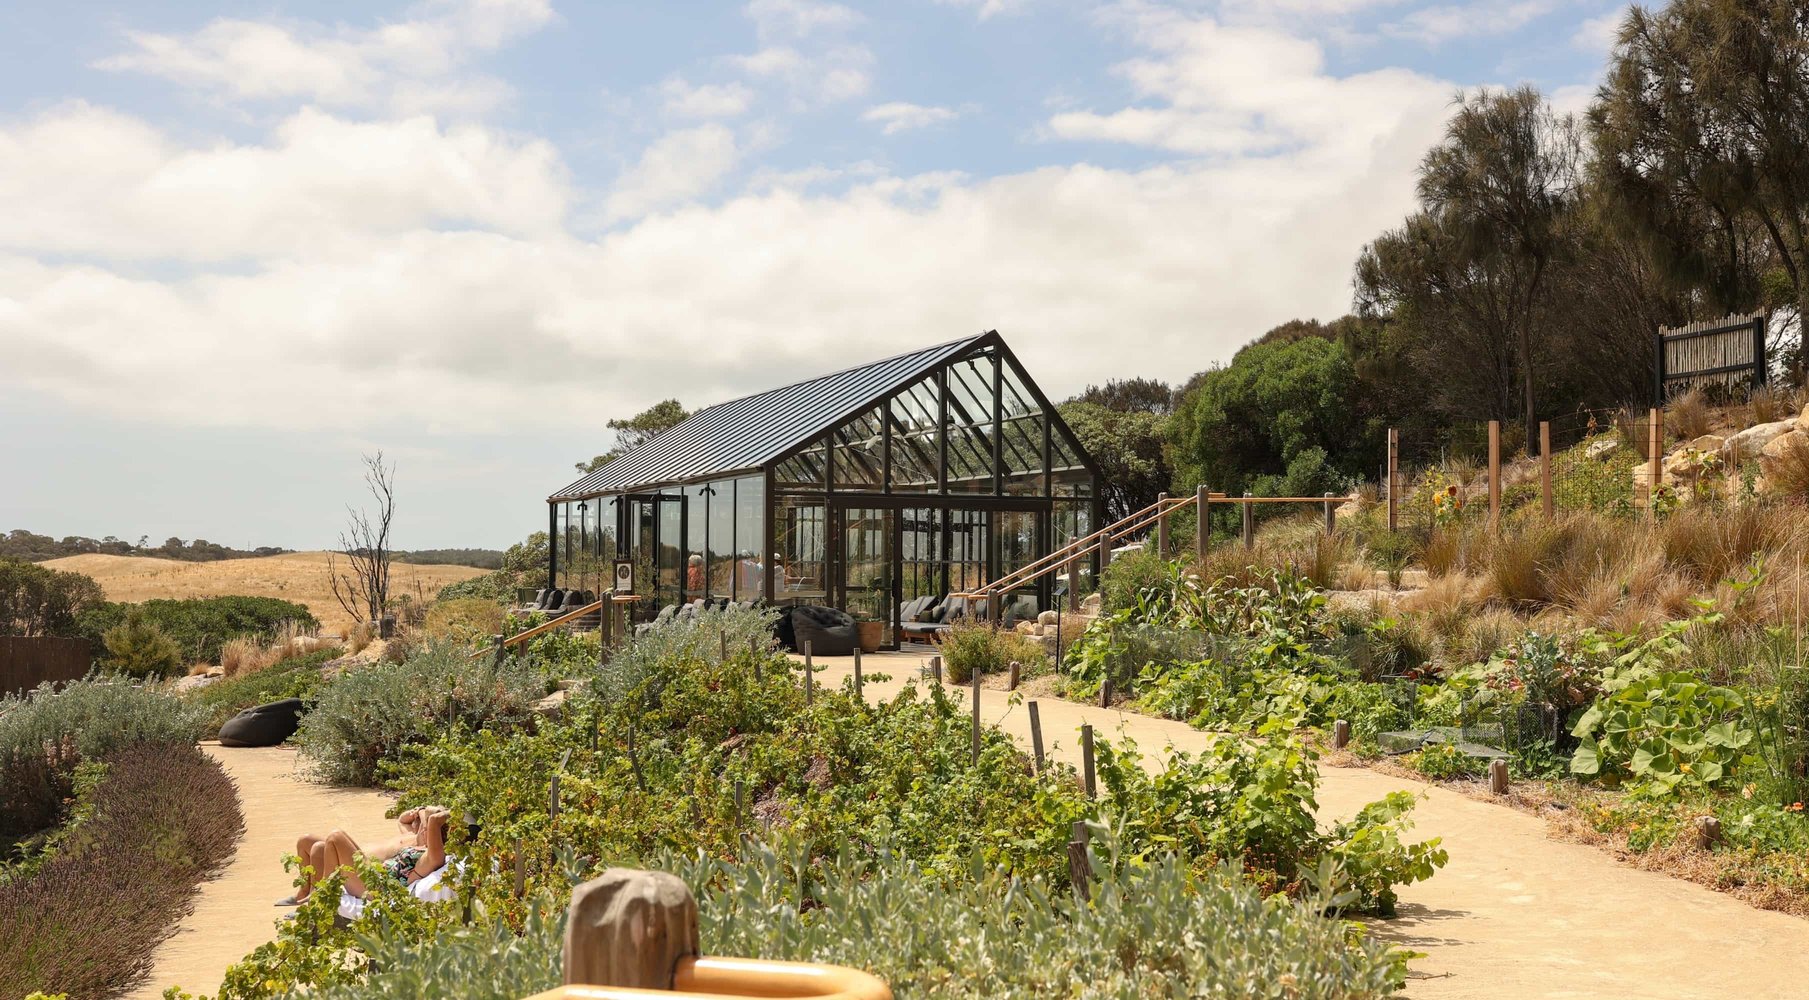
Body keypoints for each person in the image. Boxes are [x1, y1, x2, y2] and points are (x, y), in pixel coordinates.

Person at [281, 806, 450, 905]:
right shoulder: (416, 844)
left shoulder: (431, 857)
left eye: (425, 827)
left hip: (379, 889)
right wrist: (420, 813)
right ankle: (308, 894)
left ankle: (321, 895)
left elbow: (434, 821)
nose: (420, 828)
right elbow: (405, 821)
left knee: (336, 836)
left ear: (433, 835)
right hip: (373, 875)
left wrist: (447, 814)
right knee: (316, 844)